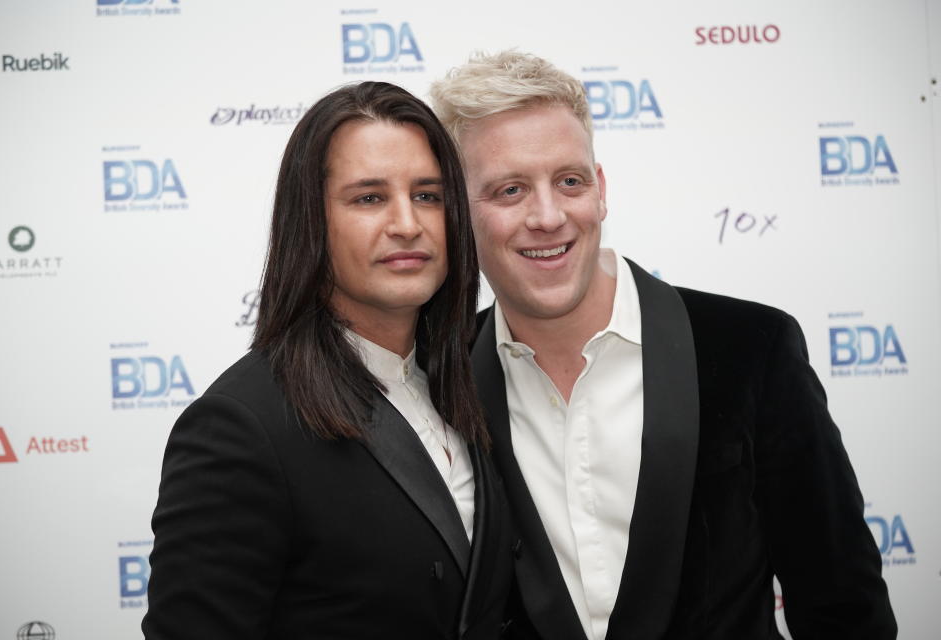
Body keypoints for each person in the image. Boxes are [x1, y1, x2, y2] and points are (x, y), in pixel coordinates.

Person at [430, 52, 896, 640]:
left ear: (599, 191)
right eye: (509, 190)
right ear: (455, 212)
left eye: (568, 181)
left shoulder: (753, 348)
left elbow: (842, 604)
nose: (547, 216)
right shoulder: (441, 377)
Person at [141, 81, 513, 640]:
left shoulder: (465, 382)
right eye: (369, 197)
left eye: (428, 195)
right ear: (311, 222)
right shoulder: (241, 427)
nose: (407, 224)